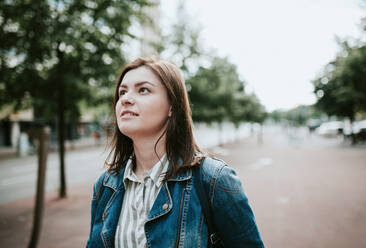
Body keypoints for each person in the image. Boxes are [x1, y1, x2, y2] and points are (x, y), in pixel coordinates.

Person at [86, 57, 265, 248]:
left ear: (172, 106)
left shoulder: (213, 180)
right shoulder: (106, 185)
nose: (126, 99)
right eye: (122, 92)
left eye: (143, 90)